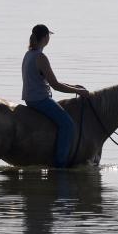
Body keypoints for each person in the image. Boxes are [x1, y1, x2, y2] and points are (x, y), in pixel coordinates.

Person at [22, 24, 90, 168]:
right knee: (68, 124)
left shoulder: (29, 54)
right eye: (49, 36)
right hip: (40, 100)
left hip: (30, 98)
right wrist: (78, 92)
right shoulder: (41, 57)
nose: (49, 39)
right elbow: (55, 85)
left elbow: (51, 80)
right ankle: (60, 164)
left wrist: (74, 87)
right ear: (46, 38)